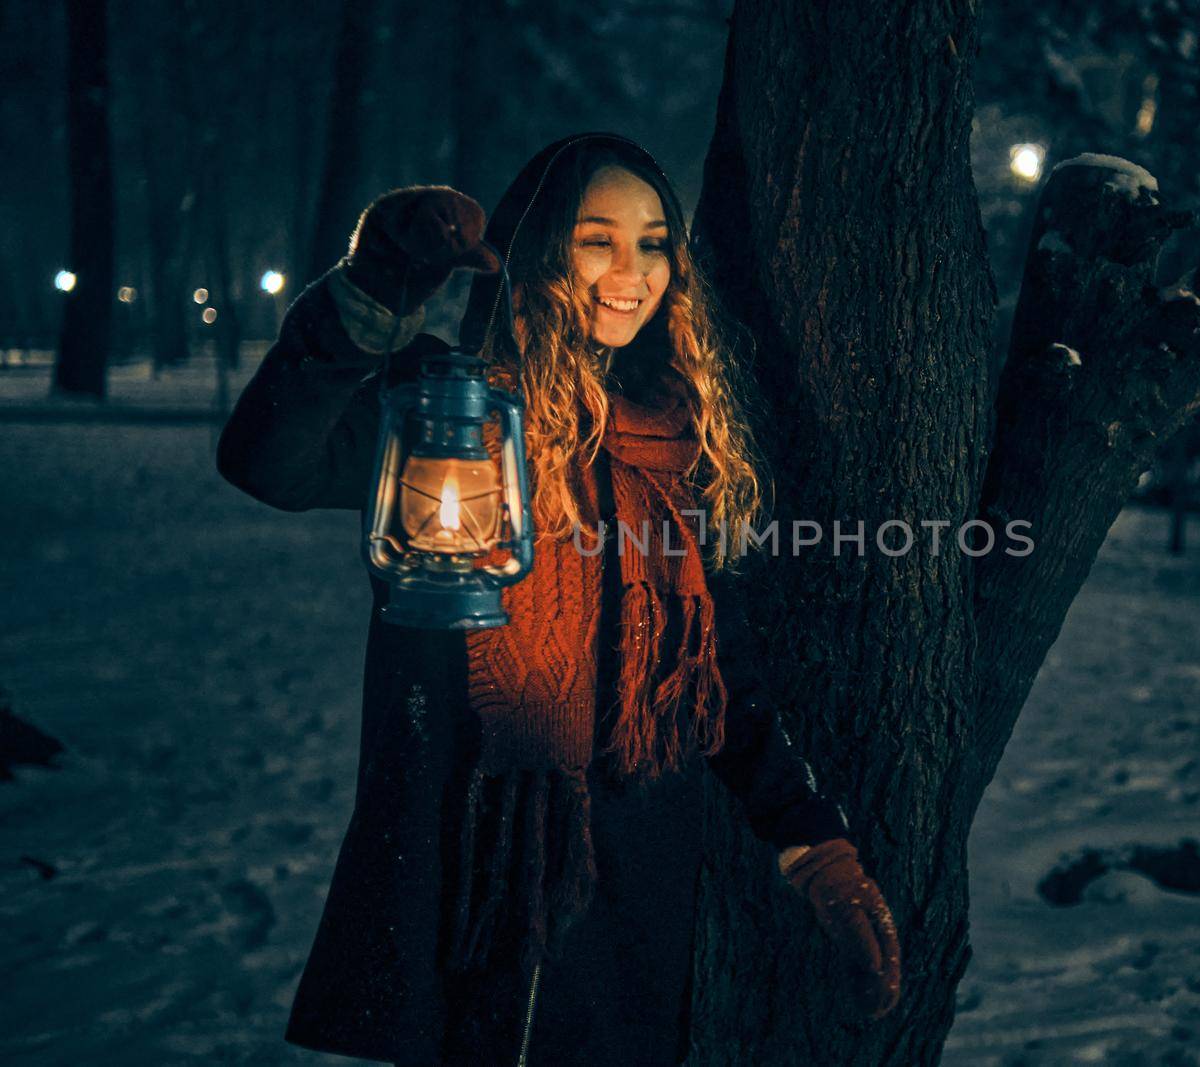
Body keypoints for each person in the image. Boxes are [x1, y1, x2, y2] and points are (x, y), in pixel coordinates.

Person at [216, 132, 901, 1066]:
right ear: (539, 254)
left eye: (655, 241)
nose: (632, 271)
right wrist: (369, 294)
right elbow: (268, 462)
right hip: (481, 861)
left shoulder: (676, 439)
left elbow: (714, 673)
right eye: (597, 240)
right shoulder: (451, 412)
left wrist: (812, 844)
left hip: (638, 877)